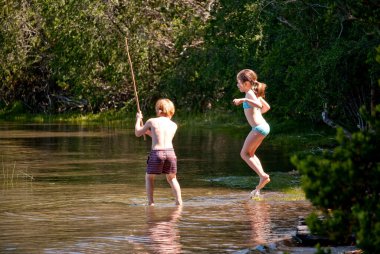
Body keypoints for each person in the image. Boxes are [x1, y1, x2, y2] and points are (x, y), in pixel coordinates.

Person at [135, 98, 183, 206]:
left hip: (157, 152)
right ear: (171, 111)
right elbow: (161, 137)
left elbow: (138, 132)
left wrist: (138, 119)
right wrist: (148, 133)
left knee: (149, 177)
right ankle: (179, 201)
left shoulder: (152, 121)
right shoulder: (174, 125)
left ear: (158, 110)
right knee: (172, 178)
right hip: (170, 153)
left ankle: (151, 203)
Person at [233, 69, 271, 198]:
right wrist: (255, 110)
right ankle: (262, 177)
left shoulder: (249, 94)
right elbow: (266, 107)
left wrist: (242, 100)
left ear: (246, 84)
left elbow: (259, 106)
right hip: (264, 127)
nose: (237, 85)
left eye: (238, 82)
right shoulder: (253, 94)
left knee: (243, 154)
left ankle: (263, 176)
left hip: (258, 128)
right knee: (250, 154)